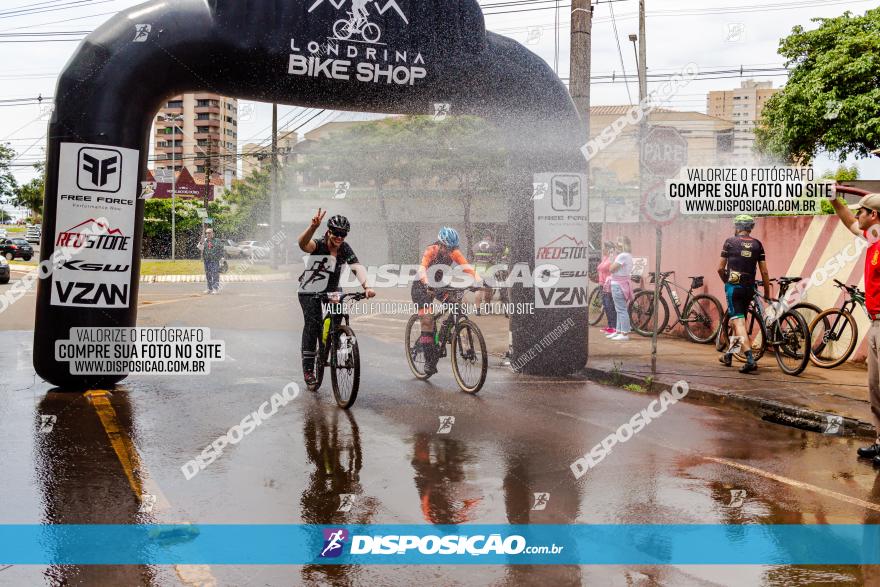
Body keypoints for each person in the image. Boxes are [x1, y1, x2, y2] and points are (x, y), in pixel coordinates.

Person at [828, 194, 880, 465]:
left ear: (872, 215)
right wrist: (834, 200)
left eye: (861, 212)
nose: (857, 215)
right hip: (875, 323)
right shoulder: (874, 238)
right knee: (875, 388)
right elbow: (849, 222)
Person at [297, 209, 375, 387]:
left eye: (343, 234)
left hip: (332, 289)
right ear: (328, 231)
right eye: (336, 233)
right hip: (310, 289)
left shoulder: (344, 248)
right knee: (313, 324)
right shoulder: (319, 244)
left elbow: (356, 267)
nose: (339, 237)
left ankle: (329, 340)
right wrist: (312, 227)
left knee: (339, 313)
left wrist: (367, 287)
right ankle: (309, 369)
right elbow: (303, 245)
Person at [411, 227, 481, 375]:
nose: (450, 252)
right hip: (421, 286)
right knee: (428, 320)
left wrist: (479, 280)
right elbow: (422, 268)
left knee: (457, 304)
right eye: (447, 248)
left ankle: (446, 331)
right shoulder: (431, 250)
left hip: (438, 284)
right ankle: (429, 362)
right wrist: (426, 283)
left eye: (452, 249)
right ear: (441, 245)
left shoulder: (453, 252)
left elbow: (467, 267)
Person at [717, 214, 771, 374]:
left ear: (738, 227)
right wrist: (767, 292)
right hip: (749, 288)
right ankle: (729, 355)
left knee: (738, 323)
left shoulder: (729, 242)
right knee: (737, 321)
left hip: (734, 287)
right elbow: (765, 271)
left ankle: (750, 359)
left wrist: (726, 281)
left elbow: (720, 268)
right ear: (750, 228)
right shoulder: (757, 244)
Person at [607, 236, 633, 341]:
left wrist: (612, 259)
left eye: (618, 243)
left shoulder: (622, 256)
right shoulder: (627, 255)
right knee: (619, 309)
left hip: (618, 284)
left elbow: (611, 269)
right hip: (620, 284)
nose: (616, 244)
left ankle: (624, 333)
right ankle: (618, 331)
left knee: (621, 310)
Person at [471, 229, 504, 312]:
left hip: (478, 269)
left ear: (484, 237)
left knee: (479, 289)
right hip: (489, 269)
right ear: (490, 237)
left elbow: (472, 256)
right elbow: (503, 251)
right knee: (488, 289)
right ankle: (487, 306)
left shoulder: (476, 245)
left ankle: (477, 310)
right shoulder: (493, 245)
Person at [596, 241, 618, 335]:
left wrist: (611, 255)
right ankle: (610, 326)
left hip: (609, 285)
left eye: (604, 248)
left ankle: (614, 327)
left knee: (610, 306)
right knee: (606, 306)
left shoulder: (612, 258)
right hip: (602, 285)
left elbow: (606, 268)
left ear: (609, 249)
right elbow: (600, 268)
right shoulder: (605, 257)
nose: (603, 250)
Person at [197, 227, 224, 295]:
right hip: (207, 260)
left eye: (209, 233)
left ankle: (215, 288)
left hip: (215, 260)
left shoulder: (217, 240)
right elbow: (200, 248)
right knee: (208, 274)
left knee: (215, 274)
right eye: (206, 233)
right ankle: (209, 288)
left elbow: (221, 249)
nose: (208, 234)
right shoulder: (204, 241)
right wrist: (201, 241)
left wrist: (222, 258)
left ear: (212, 233)